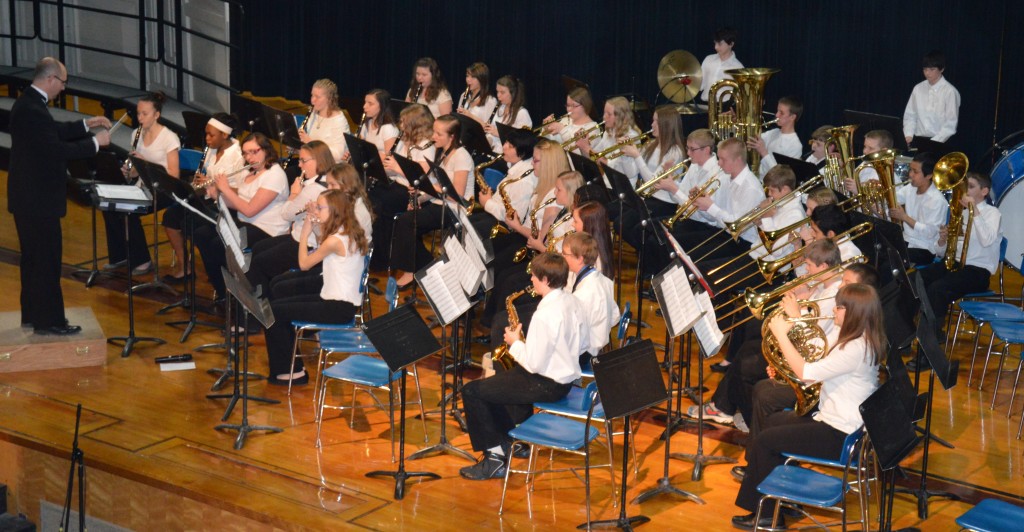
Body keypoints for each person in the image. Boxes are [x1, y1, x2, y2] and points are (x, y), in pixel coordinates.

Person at [732, 283, 884, 530]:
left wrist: (782, 334)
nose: (834, 310)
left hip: (840, 435)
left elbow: (807, 373)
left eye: (840, 307)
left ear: (853, 312)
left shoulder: (854, 348)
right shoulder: (856, 337)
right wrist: (784, 370)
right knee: (770, 424)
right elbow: (814, 363)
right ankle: (784, 497)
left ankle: (769, 516)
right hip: (834, 421)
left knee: (765, 441)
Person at [460, 252, 589, 480]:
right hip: (564, 380)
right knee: (492, 387)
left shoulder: (545, 314)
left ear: (546, 280)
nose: (531, 280)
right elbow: (583, 343)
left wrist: (515, 343)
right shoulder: (572, 301)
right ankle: (509, 440)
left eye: (535, 277)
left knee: (471, 392)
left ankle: (494, 459)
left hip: (545, 383)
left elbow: (534, 364)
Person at [8, 56, 111, 335]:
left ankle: (33, 314)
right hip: (38, 200)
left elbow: (50, 131)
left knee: (33, 260)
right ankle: (49, 321)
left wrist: (84, 124)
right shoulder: (33, 109)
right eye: (63, 82)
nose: (63, 89)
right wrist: (94, 143)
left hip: (28, 198)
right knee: (46, 261)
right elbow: (53, 149)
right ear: (51, 79)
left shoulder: (29, 103)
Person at [263, 189, 368, 385]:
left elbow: (304, 264)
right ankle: (291, 367)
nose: (317, 211)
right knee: (276, 307)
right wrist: (316, 225)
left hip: (337, 307)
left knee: (275, 313)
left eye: (320, 208)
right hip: (335, 301)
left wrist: (305, 234)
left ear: (335, 210)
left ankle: (293, 372)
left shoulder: (335, 240)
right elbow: (324, 243)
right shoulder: (345, 231)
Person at [195, 132, 290, 301]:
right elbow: (238, 201)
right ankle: (222, 289)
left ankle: (236, 295)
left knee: (219, 244)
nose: (250, 157)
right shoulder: (250, 172)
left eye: (255, 151)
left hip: (267, 230)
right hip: (246, 222)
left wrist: (224, 189)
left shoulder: (275, 175)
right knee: (202, 234)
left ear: (267, 150)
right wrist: (217, 195)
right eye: (246, 153)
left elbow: (249, 210)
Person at [391, 114, 473, 289]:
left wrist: (426, 186)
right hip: (440, 204)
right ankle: (422, 268)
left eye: (438, 134)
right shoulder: (441, 152)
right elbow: (436, 187)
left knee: (407, 222)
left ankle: (423, 267)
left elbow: (456, 195)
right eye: (433, 132)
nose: (433, 137)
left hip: (456, 210)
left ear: (452, 137)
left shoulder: (461, 156)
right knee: (405, 220)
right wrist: (420, 196)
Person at [103, 91, 180, 277]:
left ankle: (143, 260)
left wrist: (144, 165)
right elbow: (135, 171)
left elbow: (173, 175)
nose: (140, 117)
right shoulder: (136, 134)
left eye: (145, 114)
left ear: (156, 115)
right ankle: (120, 255)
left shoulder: (169, 138)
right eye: (138, 113)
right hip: (142, 186)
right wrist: (130, 172)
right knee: (109, 205)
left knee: (129, 210)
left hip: (162, 189)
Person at [244, 140, 334, 294]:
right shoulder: (327, 180)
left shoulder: (313, 189)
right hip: (301, 237)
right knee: (259, 248)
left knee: (259, 262)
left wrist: (294, 194)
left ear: (318, 161)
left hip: (307, 244)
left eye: (303, 161)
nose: (299, 165)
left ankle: (264, 304)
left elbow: (286, 215)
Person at [920, 172, 1002, 337]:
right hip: (956, 264)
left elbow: (986, 240)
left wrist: (974, 210)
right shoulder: (961, 213)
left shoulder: (993, 214)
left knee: (938, 288)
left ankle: (933, 337)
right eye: (965, 187)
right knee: (917, 278)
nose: (966, 190)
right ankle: (906, 333)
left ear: (984, 191)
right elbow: (941, 252)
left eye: (970, 187)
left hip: (978, 271)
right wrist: (943, 240)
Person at [562, 232, 619, 359]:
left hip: (586, 353)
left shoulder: (583, 294)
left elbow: (572, 334)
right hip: (595, 344)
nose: (562, 257)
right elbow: (615, 315)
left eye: (565, 254)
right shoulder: (602, 279)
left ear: (580, 258)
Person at [888, 152, 948, 265]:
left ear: (929, 175)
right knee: (879, 252)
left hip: (924, 249)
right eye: (910, 169)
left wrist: (904, 217)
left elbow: (930, 233)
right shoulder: (910, 188)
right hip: (906, 241)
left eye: (915, 172)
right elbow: (892, 200)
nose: (910, 174)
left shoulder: (937, 201)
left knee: (890, 263)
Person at [903, 50, 960, 146]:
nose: (927, 73)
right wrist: (908, 135)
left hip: (940, 141)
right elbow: (910, 115)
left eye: (932, 69)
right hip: (917, 139)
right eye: (925, 69)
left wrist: (933, 142)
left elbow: (950, 124)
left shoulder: (950, 91)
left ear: (941, 69)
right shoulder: (918, 88)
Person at [297, 78, 350, 162]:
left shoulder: (339, 120)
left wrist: (310, 143)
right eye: (312, 95)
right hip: (313, 162)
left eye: (317, 97)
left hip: (331, 168)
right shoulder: (313, 114)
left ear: (329, 99)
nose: (312, 100)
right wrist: (296, 146)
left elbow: (338, 155)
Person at [749, 96, 803, 177]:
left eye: (781, 113)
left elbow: (781, 175)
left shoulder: (795, 145)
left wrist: (763, 152)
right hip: (759, 180)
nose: (777, 115)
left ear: (792, 117)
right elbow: (751, 139)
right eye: (777, 111)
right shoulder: (774, 132)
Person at [542, 86, 599, 155]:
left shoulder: (592, 128)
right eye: (568, 105)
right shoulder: (566, 119)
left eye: (573, 106)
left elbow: (579, 154)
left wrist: (562, 130)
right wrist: (546, 130)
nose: (569, 109)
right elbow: (552, 143)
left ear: (585, 105)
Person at [482, 75, 532, 153]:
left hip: (510, 158)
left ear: (513, 93)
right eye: (497, 91)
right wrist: (488, 142)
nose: (498, 95)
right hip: (495, 152)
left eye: (502, 92)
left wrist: (498, 133)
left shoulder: (522, 113)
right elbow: (491, 133)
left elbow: (522, 142)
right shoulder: (500, 108)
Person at [699, 27, 743, 104]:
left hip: (724, 108)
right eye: (715, 43)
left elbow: (740, 95)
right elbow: (700, 84)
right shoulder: (708, 59)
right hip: (705, 105)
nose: (715, 47)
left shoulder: (738, 67)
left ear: (731, 44)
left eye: (720, 44)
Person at [844, 129, 893, 193]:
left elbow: (884, 202)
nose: (865, 151)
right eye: (865, 146)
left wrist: (859, 190)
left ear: (883, 151)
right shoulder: (865, 164)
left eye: (871, 148)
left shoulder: (888, 176)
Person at [455, 62, 498, 126]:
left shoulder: (490, 100)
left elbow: (488, 127)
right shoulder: (463, 95)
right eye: (467, 76)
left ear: (482, 79)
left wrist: (470, 116)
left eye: (473, 77)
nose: (468, 80)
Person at [358, 88, 399, 154]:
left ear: (382, 106)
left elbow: (389, 157)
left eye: (370, 104)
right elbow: (360, 148)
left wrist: (368, 154)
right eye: (365, 102)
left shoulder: (388, 129)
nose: (364, 106)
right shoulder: (367, 124)